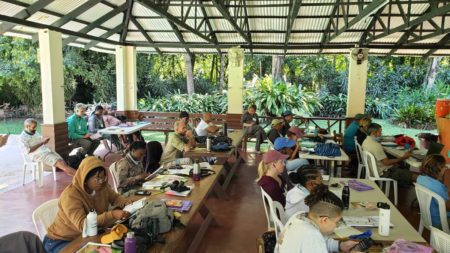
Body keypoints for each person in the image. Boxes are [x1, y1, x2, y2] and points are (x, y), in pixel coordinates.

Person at [44, 156, 132, 253]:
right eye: (97, 178)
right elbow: (83, 225)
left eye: (103, 177)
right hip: (61, 241)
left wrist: (125, 202)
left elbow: (115, 198)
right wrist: (112, 215)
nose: (102, 181)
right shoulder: (70, 196)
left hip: (87, 237)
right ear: (85, 179)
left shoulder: (102, 187)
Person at [277, 185, 359, 253]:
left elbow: (319, 243)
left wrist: (340, 246)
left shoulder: (299, 216)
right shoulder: (312, 235)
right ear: (324, 220)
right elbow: (315, 242)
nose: (337, 226)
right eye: (337, 222)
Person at [416, 154, 450, 229]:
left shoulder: (420, 178)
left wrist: (440, 177)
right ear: (438, 169)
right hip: (442, 222)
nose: (446, 168)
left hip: (429, 218)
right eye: (444, 166)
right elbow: (448, 206)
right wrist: (447, 180)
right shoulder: (438, 187)